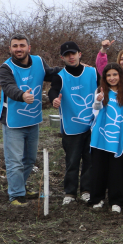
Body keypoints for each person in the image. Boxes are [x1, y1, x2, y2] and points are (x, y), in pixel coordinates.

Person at [0, 34, 61, 206]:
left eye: (22, 45)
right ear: (10, 48)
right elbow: (9, 88)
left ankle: (21, 187)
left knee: (30, 159)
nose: (19, 49)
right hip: (13, 121)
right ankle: (16, 195)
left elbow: (51, 74)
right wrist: (22, 95)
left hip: (33, 120)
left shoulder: (38, 61)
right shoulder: (5, 68)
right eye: (15, 46)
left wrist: (72, 68)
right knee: (15, 160)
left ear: (29, 48)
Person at [48, 41, 97, 205]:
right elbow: (53, 90)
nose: (71, 57)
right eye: (67, 54)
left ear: (79, 54)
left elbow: (104, 87)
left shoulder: (92, 72)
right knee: (72, 161)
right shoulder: (60, 76)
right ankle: (69, 193)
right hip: (71, 127)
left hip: (92, 125)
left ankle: (87, 190)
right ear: (62, 57)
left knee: (90, 161)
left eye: (73, 53)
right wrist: (54, 99)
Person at [88, 63, 123, 213]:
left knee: (116, 171)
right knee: (98, 170)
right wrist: (98, 100)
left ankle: (116, 200)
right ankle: (97, 198)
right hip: (100, 137)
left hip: (118, 139)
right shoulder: (101, 91)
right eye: (108, 75)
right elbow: (95, 110)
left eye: (115, 74)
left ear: (120, 76)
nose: (112, 78)